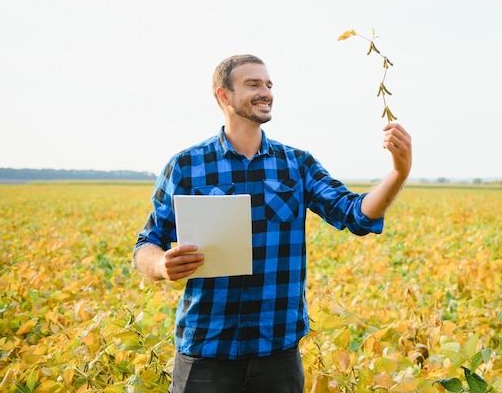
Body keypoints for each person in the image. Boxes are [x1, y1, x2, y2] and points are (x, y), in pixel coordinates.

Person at [133, 54, 412, 393]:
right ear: (224, 95)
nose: (265, 91)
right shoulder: (187, 166)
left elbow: (353, 213)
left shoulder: (296, 164)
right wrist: (161, 264)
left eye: (268, 84)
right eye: (253, 84)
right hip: (206, 348)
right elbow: (146, 244)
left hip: (277, 352)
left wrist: (398, 173)